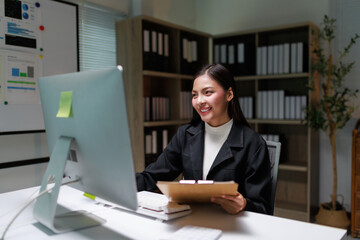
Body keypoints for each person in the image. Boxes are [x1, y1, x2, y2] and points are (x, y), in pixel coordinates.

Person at [136, 64, 272, 215]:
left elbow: (263, 207)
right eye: (195, 95)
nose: (199, 101)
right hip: (191, 221)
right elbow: (152, 176)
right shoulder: (185, 135)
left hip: (231, 226)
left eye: (208, 92)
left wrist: (243, 204)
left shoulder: (253, 143)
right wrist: (117, 184)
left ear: (229, 94)